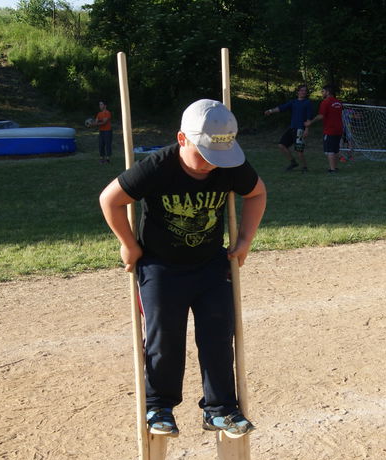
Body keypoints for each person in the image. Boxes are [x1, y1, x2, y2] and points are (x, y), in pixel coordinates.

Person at [98, 99, 268, 439]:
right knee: (164, 337)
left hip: (210, 266)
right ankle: (159, 406)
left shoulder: (228, 164)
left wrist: (245, 239)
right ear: (181, 139)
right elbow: (110, 199)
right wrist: (129, 244)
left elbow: (257, 193)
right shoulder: (157, 167)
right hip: (161, 268)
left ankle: (220, 409)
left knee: (219, 335)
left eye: (218, 156)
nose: (211, 163)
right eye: (203, 154)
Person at [263, 84, 313, 171]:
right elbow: (281, 108)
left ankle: (305, 167)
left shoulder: (307, 103)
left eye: (305, 91)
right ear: (298, 92)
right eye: (302, 90)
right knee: (281, 145)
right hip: (292, 128)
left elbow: (309, 118)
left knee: (299, 150)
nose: (303, 92)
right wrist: (270, 111)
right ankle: (293, 162)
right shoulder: (293, 102)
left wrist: (307, 130)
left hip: (300, 130)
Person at [304, 84, 345, 173]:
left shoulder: (325, 102)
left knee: (329, 150)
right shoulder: (339, 102)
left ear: (328, 92)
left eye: (323, 91)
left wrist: (310, 122)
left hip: (330, 129)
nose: (321, 93)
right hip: (339, 129)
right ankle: (335, 168)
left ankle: (332, 169)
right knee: (335, 149)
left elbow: (321, 116)